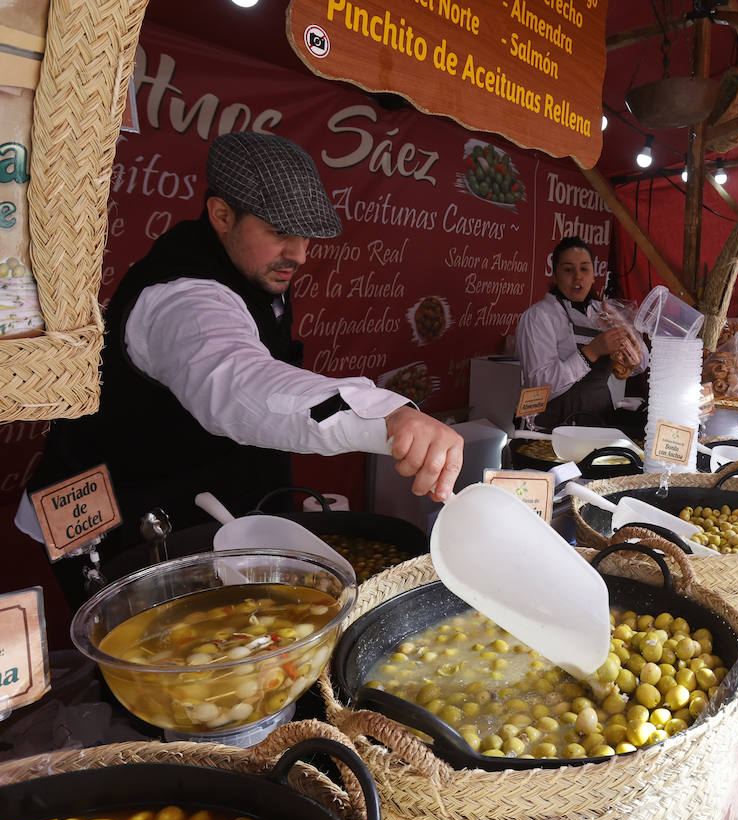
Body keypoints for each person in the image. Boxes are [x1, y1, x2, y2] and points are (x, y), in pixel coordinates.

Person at [22, 132, 464, 604]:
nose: (300, 255)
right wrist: (386, 416)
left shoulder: (253, 269)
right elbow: (240, 386)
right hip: (121, 518)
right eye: (280, 233)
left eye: (306, 236)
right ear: (221, 215)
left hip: (198, 495)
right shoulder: (184, 299)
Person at [515, 236, 648, 431]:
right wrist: (591, 352)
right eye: (568, 270)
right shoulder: (539, 316)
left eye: (584, 269)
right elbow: (539, 386)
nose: (578, 277)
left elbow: (641, 365)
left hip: (599, 424)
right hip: (549, 429)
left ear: (594, 275)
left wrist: (624, 331)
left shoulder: (605, 312)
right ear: (555, 275)